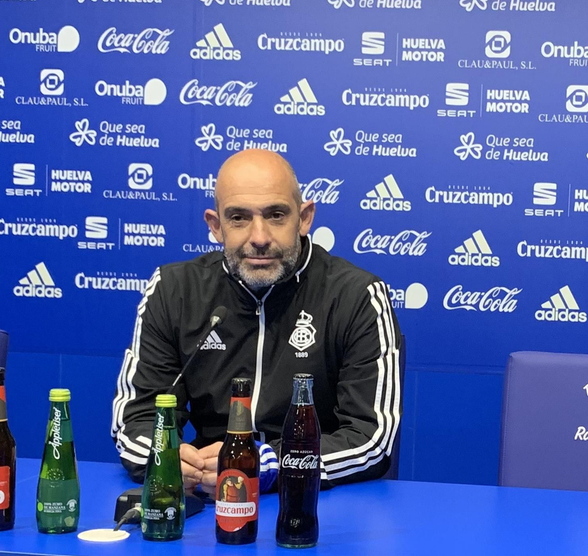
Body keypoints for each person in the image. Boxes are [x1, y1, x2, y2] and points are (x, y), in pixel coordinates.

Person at [112, 148, 402, 493]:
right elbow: (138, 421)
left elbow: (372, 438)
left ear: (305, 217)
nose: (260, 237)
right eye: (238, 218)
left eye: (276, 215)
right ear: (215, 226)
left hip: (317, 504)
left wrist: (265, 463)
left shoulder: (357, 296)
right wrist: (167, 458)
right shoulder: (175, 290)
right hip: (210, 497)